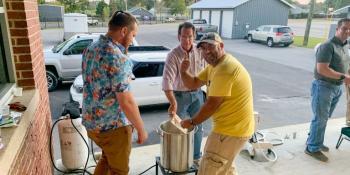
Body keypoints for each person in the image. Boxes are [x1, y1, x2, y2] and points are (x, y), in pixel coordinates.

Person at [81, 11, 148, 175]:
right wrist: (141, 128)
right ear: (124, 31)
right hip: (113, 128)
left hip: (92, 124)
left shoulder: (91, 48)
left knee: (106, 159)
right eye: (133, 35)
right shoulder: (117, 57)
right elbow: (126, 101)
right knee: (119, 171)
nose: (132, 40)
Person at [180, 32, 255, 175]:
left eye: (210, 46)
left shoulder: (225, 69)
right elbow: (193, 83)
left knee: (209, 167)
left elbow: (212, 104)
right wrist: (183, 71)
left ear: (221, 46)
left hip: (230, 132)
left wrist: (192, 122)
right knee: (225, 167)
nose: (206, 51)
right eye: (202, 48)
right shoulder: (214, 66)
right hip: (236, 130)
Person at [306, 18, 350, 162]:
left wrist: (344, 78)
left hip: (336, 88)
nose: (347, 31)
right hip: (323, 86)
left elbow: (343, 66)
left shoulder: (344, 46)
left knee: (323, 118)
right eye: (344, 28)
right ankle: (312, 147)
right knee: (320, 118)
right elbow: (322, 69)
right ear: (337, 29)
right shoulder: (327, 46)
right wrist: (344, 76)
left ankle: (315, 140)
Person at [162, 22, 206, 163]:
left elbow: (208, 73)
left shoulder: (200, 51)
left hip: (198, 94)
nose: (187, 40)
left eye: (190, 37)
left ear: (194, 36)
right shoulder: (173, 55)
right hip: (179, 96)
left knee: (198, 126)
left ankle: (195, 157)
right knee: (176, 128)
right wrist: (172, 102)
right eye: (184, 36)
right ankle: (175, 158)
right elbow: (167, 81)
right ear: (178, 36)